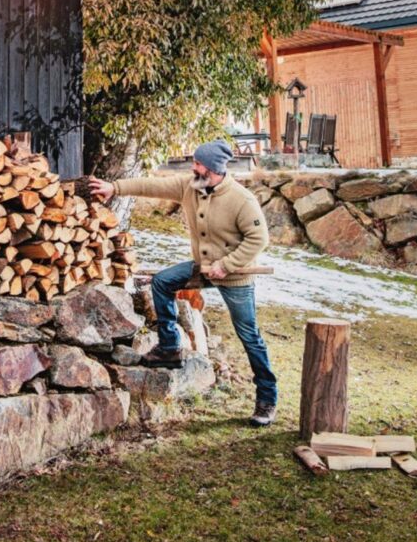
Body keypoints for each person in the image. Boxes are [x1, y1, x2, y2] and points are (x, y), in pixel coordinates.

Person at [89, 139, 278, 427]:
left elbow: (259, 239)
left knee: (249, 335)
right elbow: (150, 186)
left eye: (199, 163)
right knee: (163, 282)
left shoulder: (241, 200)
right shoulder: (190, 186)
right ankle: (169, 348)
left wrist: (225, 266)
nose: (194, 166)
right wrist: (115, 188)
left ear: (213, 169)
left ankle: (266, 398)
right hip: (202, 267)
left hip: (236, 274)